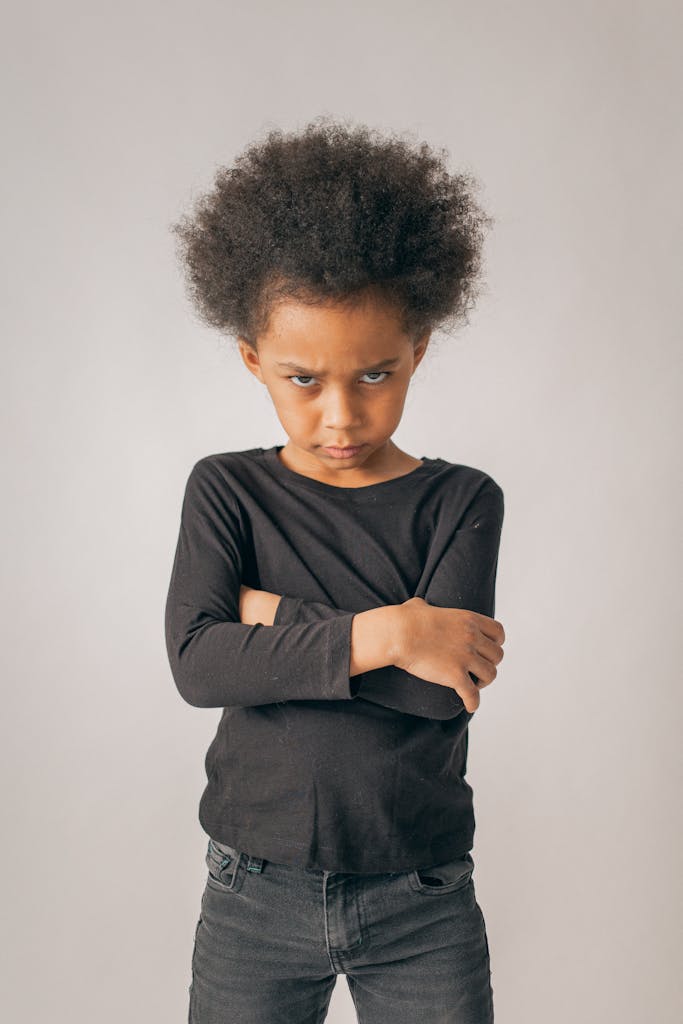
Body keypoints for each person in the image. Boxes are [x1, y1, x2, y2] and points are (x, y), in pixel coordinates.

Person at [165, 115, 506, 1024]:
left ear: (418, 351)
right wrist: (393, 631)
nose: (340, 417)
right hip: (251, 888)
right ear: (252, 361)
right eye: (303, 379)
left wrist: (271, 617)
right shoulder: (225, 491)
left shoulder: (461, 500)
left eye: (375, 375)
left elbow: (441, 693)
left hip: (420, 894)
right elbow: (200, 664)